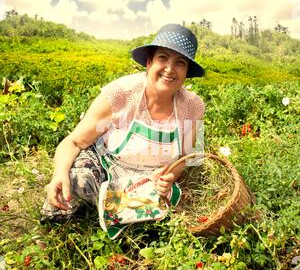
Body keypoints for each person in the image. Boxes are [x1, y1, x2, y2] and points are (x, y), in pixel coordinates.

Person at [40, 23, 205, 239]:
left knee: (154, 213)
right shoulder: (121, 94)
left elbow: (187, 156)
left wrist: (170, 175)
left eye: (180, 63)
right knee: (76, 180)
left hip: (148, 178)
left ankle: (118, 212)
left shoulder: (192, 106)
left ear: (186, 73)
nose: (170, 69)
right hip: (109, 163)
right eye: (163, 58)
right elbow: (74, 142)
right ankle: (83, 214)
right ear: (149, 62)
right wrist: (59, 174)